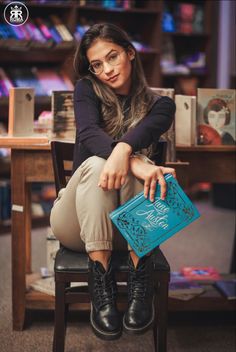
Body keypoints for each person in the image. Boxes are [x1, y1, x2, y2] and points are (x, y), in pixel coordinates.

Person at [50, 23, 176, 341]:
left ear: (130, 53)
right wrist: (127, 156)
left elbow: (144, 133)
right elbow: (89, 133)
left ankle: (139, 278)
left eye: (113, 57)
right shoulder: (86, 91)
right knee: (101, 163)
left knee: (145, 166)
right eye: (97, 64)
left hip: (127, 231)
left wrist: (126, 151)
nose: (106, 70)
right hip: (76, 225)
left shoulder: (161, 106)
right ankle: (101, 284)